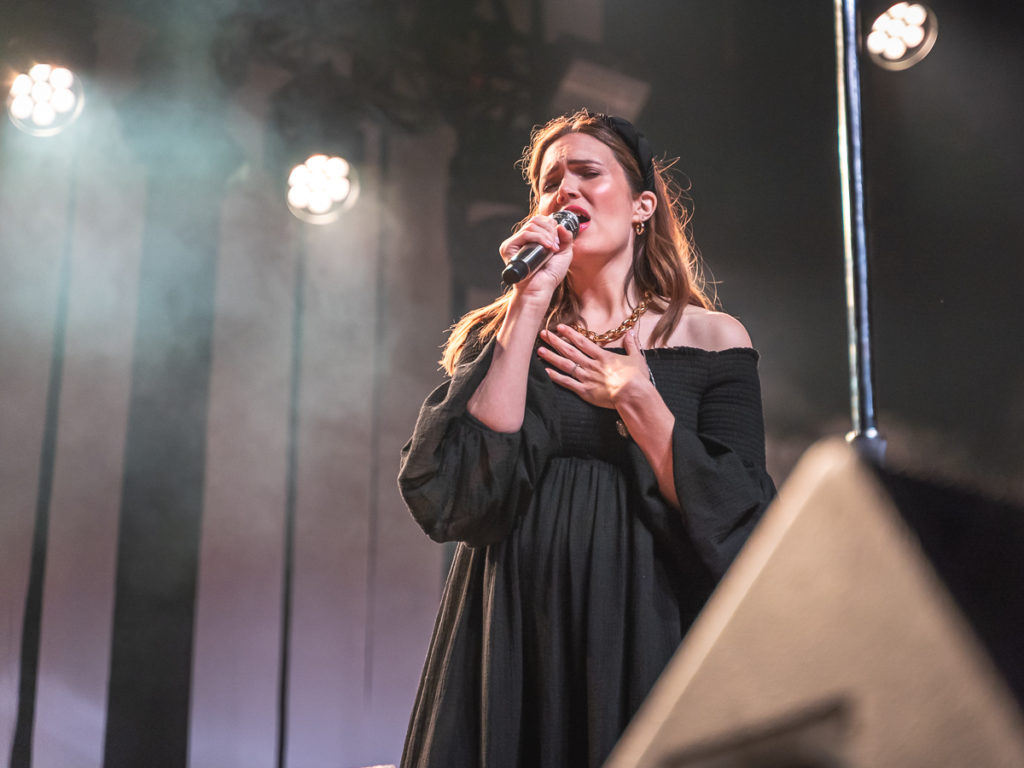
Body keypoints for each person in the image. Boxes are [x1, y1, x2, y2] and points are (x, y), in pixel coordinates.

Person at [397, 109, 775, 768]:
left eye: (587, 173)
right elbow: (457, 494)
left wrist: (637, 398)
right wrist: (528, 303)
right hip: (512, 627)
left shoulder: (715, 339)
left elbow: (742, 515)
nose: (565, 190)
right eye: (550, 182)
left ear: (642, 206)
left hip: (645, 621)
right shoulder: (507, 331)